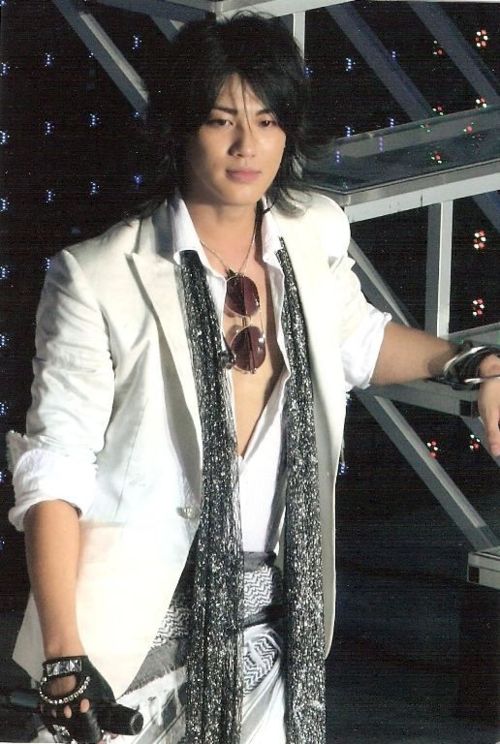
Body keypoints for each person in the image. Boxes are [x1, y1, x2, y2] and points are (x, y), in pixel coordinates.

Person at [6, 13, 500, 744]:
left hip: (275, 620)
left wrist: (475, 363)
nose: (248, 146)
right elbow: (55, 469)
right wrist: (62, 654)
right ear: (180, 129)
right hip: (130, 636)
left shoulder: (311, 231)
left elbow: (360, 340)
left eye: (267, 122)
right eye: (221, 121)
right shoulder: (98, 276)